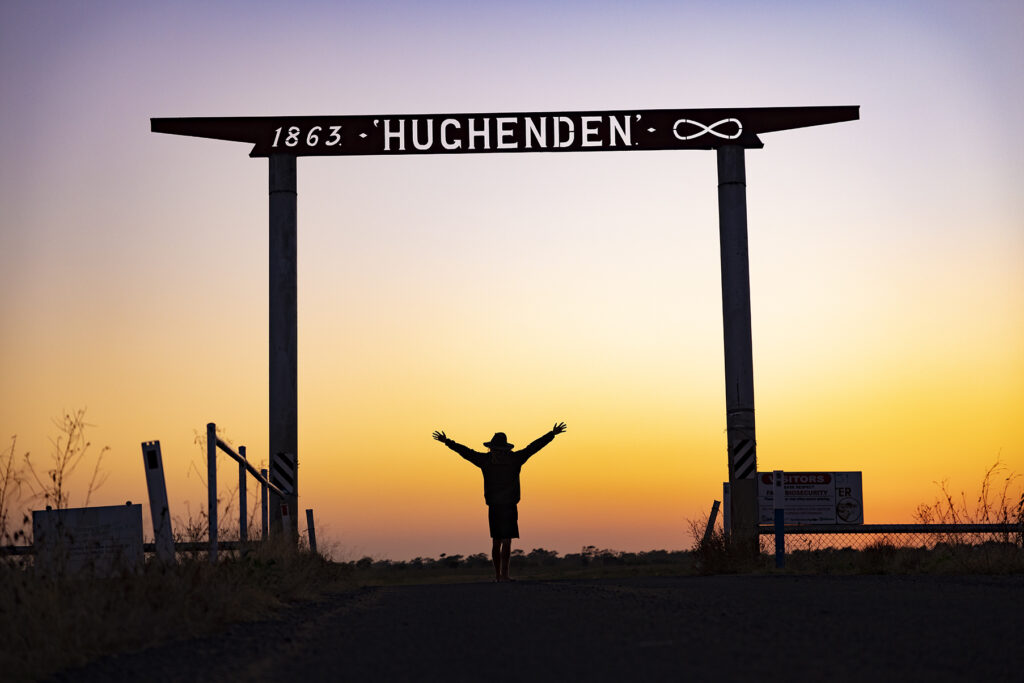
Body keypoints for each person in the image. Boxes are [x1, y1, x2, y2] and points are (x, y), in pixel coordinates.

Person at [433, 422, 567, 582]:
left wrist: (448, 442)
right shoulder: (512, 459)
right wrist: (551, 434)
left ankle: (501, 576)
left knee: (499, 541)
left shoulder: (487, 460)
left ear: (493, 448)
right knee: (503, 541)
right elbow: (532, 448)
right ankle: (502, 575)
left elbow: (466, 452)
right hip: (505, 505)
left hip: (500, 506)